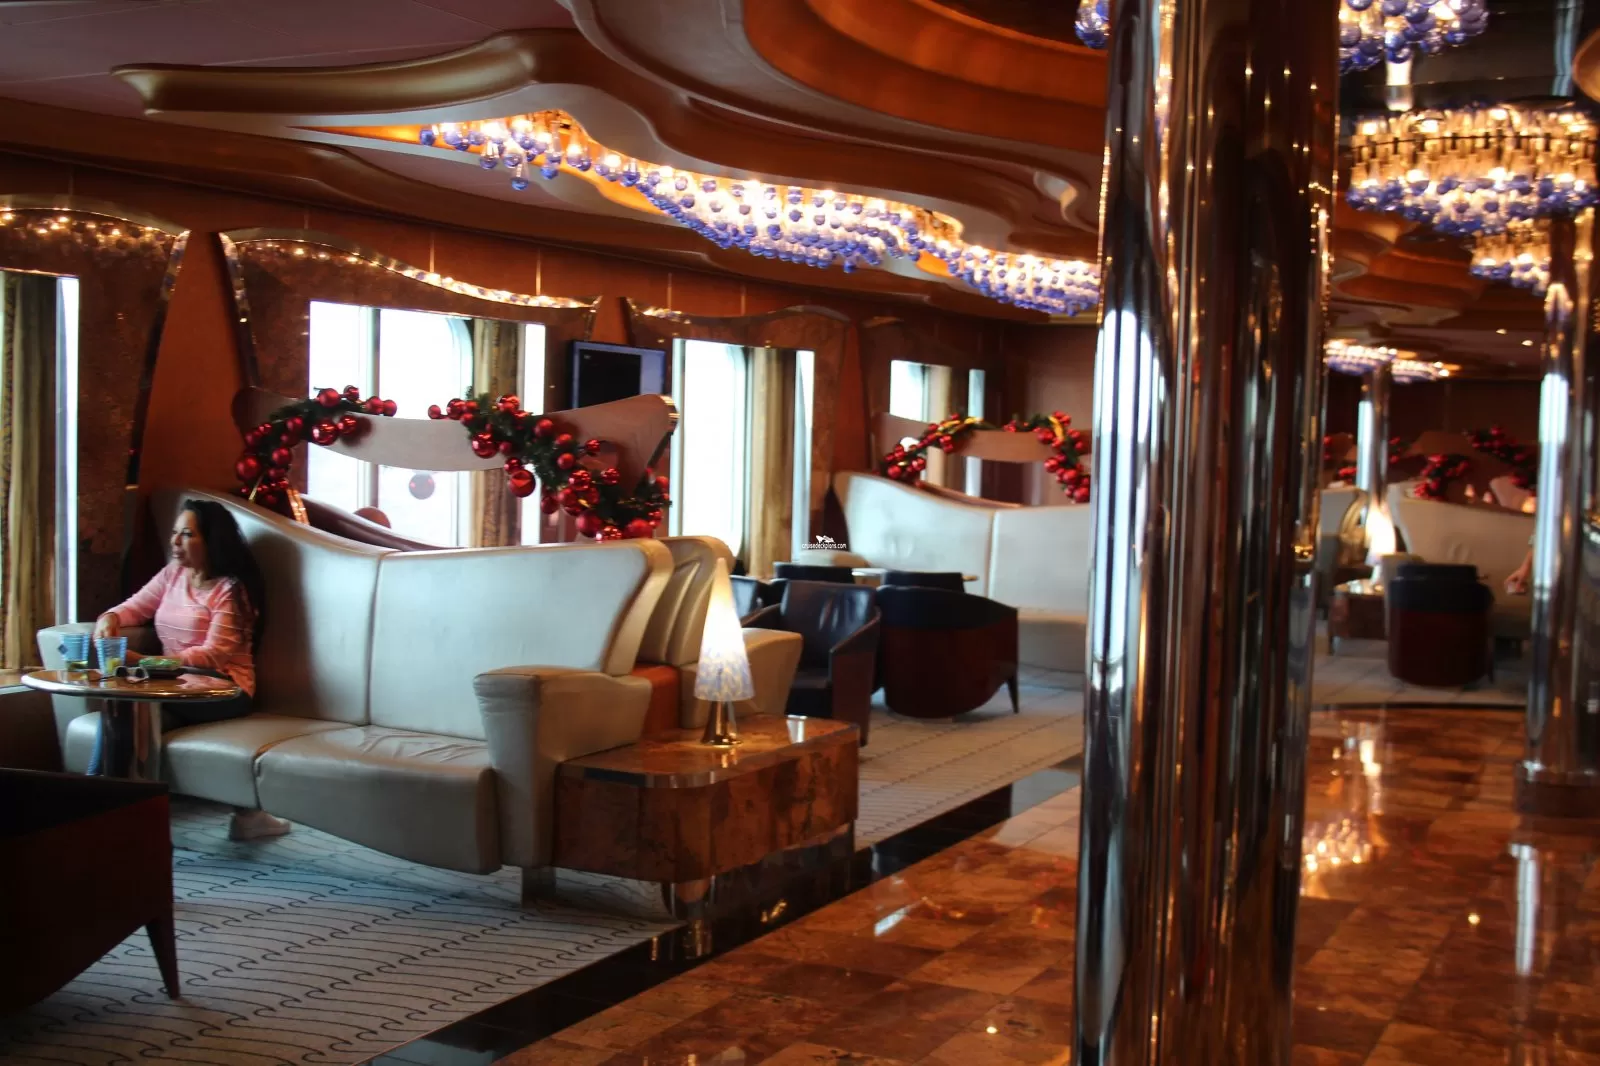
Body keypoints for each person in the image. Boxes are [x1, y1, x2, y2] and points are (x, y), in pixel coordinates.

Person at [93, 499, 290, 841]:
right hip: (175, 684)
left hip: (225, 688)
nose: (175, 541)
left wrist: (145, 662)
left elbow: (214, 655)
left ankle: (103, 808)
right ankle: (111, 812)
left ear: (211, 541)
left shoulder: (231, 589)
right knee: (128, 712)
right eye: (175, 533)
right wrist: (108, 619)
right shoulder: (173, 574)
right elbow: (134, 608)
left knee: (132, 706)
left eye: (187, 534)